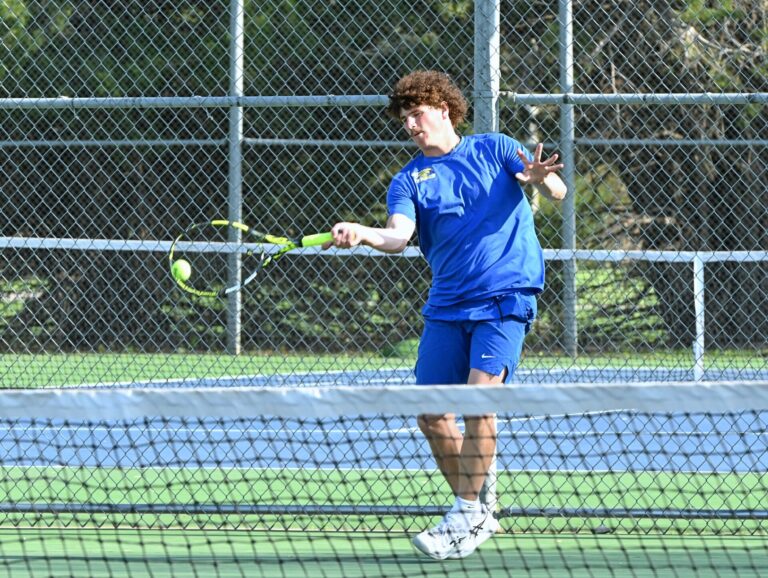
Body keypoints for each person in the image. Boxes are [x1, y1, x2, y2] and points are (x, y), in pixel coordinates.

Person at [327, 70, 567, 560]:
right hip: (447, 305)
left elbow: (554, 189)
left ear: (443, 109)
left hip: (506, 296)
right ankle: (478, 513)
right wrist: (365, 233)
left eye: (418, 114)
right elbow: (398, 236)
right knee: (431, 414)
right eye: (405, 119)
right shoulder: (409, 180)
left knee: (479, 402)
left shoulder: (495, 148)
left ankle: (462, 514)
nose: (412, 125)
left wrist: (542, 180)